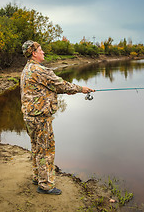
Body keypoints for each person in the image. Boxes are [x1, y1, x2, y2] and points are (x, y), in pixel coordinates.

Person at [20, 40, 94, 195]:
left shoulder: (27, 69)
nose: (43, 52)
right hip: (40, 118)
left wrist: (59, 90)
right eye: (41, 49)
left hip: (29, 117)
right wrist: (82, 89)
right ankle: (46, 185)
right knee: (46, 150)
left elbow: (43, 88)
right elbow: (60, 84)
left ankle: (37, 177)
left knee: (36, 148)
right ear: (34, 53)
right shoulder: (40, 70)